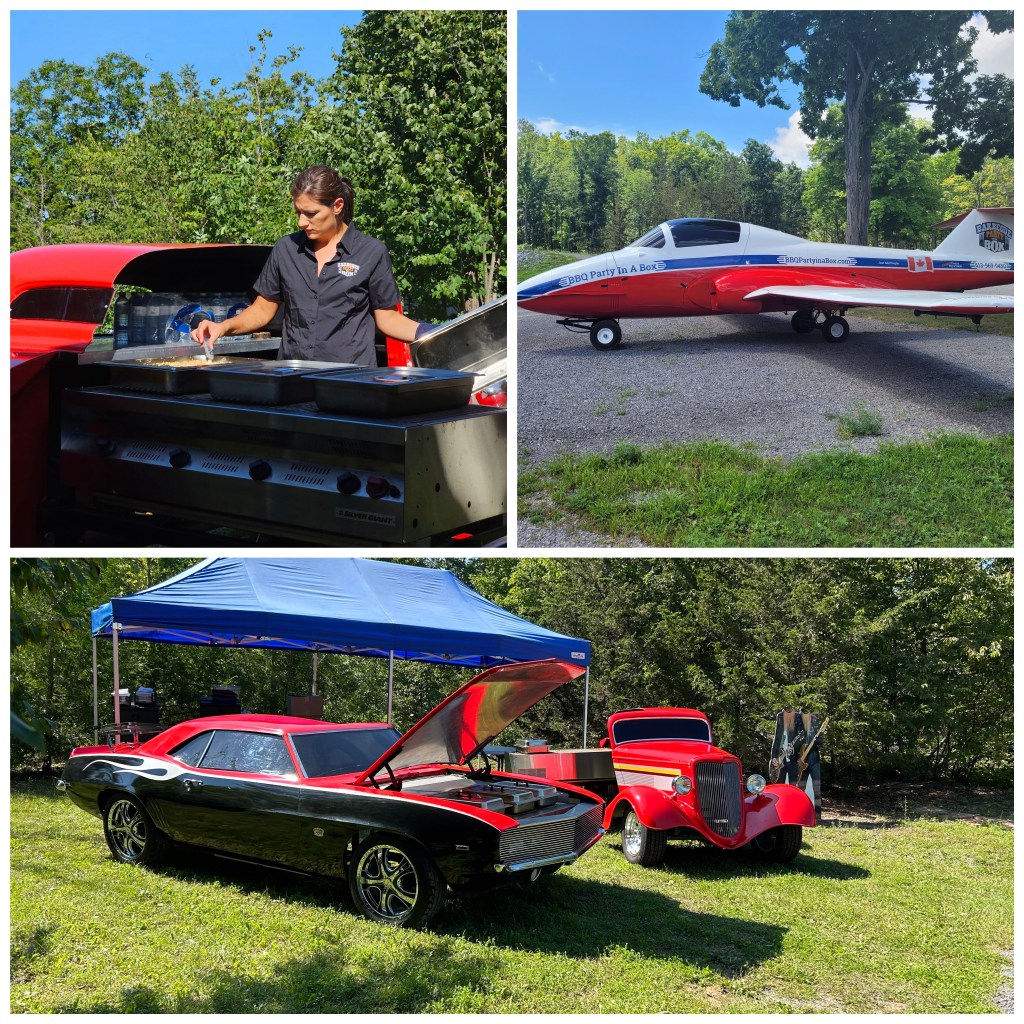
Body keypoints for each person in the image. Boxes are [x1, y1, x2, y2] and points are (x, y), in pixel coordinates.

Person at [191, 165, 429, 365]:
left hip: (353, 382)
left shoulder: (371, 252)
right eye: (298, 212)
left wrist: (429, 333)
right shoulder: (286, 250)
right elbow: (262, 310)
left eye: (311, 213)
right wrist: (222, 327)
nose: (301, 222)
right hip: (294, 378)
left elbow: (388, 319)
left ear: (337, 206)